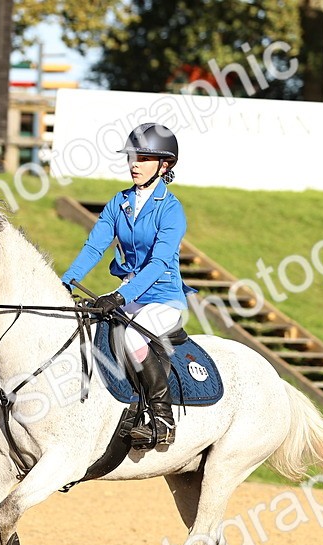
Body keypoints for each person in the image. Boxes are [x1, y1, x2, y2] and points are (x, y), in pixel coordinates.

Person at [60, 122, 193, 449]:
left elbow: (160, 263)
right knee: (90, 327)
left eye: (143, 158)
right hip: (128, 295)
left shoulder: (172, 210)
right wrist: (65, 280)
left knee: (132, 336)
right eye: (132, 156)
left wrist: (121, 296)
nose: (134, 163)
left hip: (163, 299)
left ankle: (162, 420)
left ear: (164, 166)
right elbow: (94, 247)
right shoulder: (118, 202)